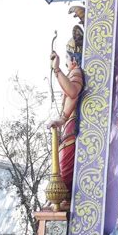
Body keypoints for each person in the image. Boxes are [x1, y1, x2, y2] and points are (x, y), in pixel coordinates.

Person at [48, 22, 84, 207]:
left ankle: (65, 199)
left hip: (71, 128)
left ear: (74, 59)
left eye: (68, 57)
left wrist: (57, 69)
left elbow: (72, 91)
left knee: (65, 169)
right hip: (67, 128)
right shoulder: (73, 72)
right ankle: (62, 200)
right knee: (61, 167)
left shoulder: (76, 71)